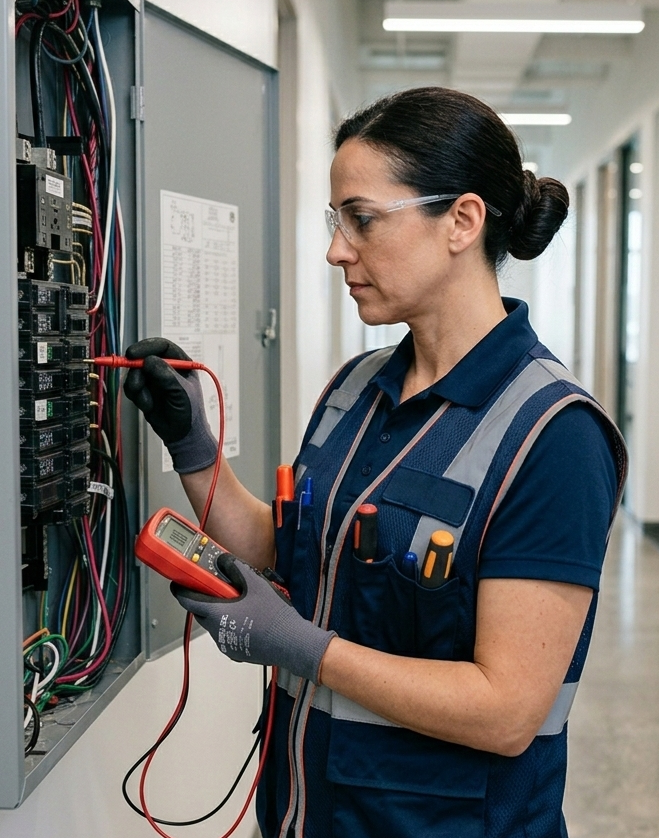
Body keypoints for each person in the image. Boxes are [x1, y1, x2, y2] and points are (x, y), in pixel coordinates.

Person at [124, 87, 627, 838]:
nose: (336, 249)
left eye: (361, 219)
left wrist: (299, 646)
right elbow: (282, 546)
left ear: (461, 220)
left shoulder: (553, 435)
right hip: (309, 812)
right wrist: (193, 447)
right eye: (336, 222)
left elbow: (506, 711)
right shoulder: (353, 391)